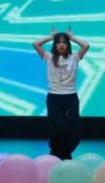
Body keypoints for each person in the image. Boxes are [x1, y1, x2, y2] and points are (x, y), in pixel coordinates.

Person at [32, 27, 89, 160]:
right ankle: (58, 155)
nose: (61, 45)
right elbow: (35, 44)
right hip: (54, 98)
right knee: (58, 130)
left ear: (68, 44)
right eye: (58, 42)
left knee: (75, 134)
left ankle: (64, 153)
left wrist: (72, 37)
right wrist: (51, 37)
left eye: (64, 42)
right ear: (55, 45)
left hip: (71, 97)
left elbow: (86, 46)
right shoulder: (48, 57)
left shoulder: (75, 57)